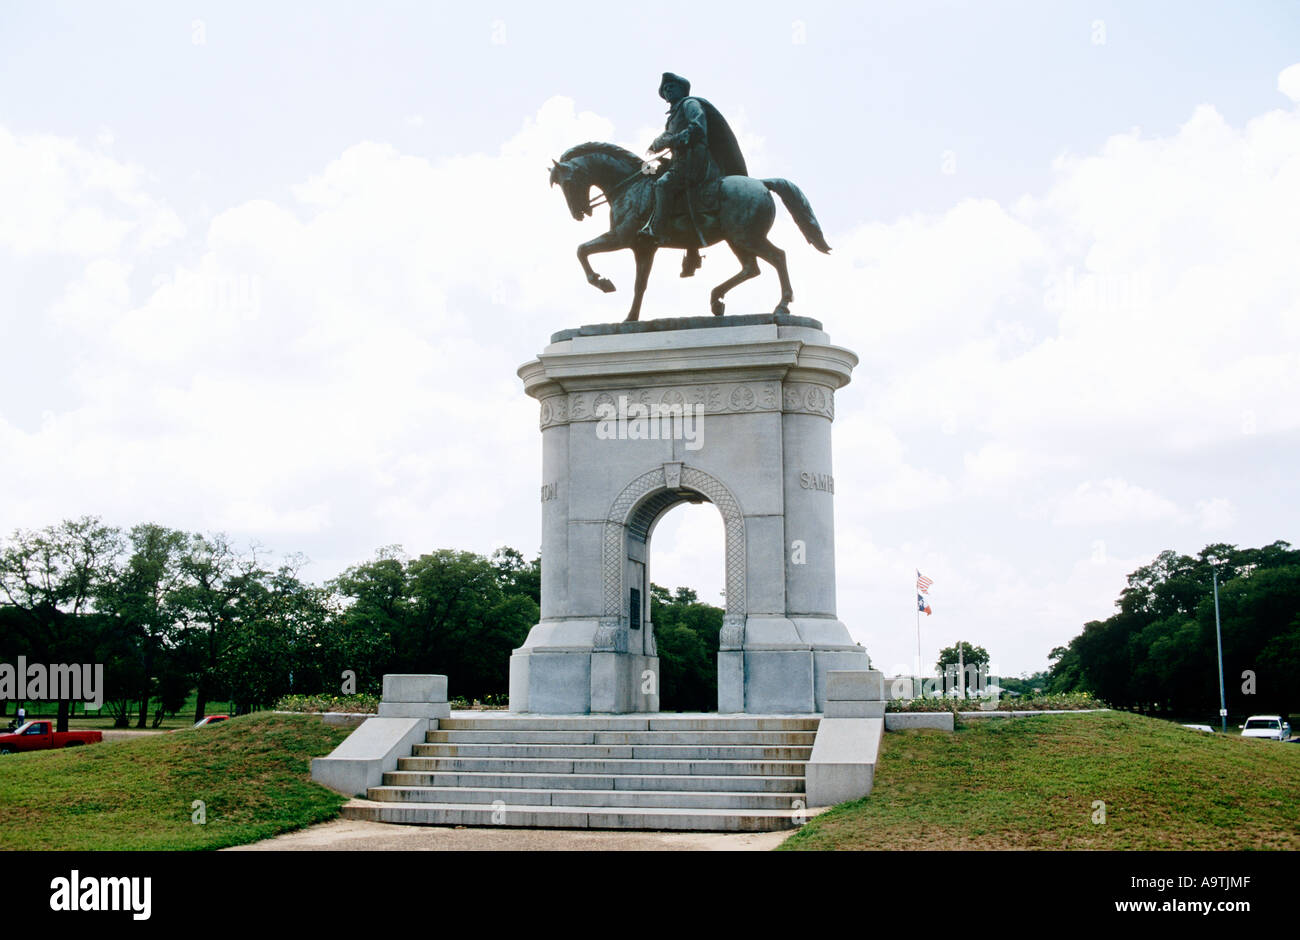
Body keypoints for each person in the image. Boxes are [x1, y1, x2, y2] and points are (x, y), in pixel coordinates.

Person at [638, 73, 748, 276]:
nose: (667, 90)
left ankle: (657, 231)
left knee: (663, 184)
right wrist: (655, 144)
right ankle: (689, 244)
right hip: (681, 158)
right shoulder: (673, 115)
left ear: (682, 89)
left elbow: (697, 128)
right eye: (665, 89)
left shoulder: (690, 104)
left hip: (696, 158)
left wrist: (671, 141)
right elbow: (668, 135)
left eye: (671, 87)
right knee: (649, 174)